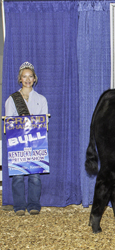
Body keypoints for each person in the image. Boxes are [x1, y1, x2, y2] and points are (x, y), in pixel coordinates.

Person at [5, 62, 48, 216]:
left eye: (30, 76)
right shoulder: (12, 99)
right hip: (17, 141)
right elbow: (9, 121)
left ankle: (34, 204)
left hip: (35, 141)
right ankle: (19, 206)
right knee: (17, 175)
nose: (28, 79)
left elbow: (45, 122)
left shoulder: (41, 99)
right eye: (25, 76)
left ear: (34, 79)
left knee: (35, 174)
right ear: (20, 79)